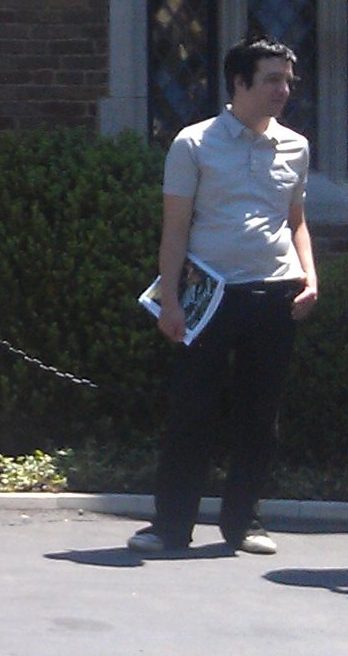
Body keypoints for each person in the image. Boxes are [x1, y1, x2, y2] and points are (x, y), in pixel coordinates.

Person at [132, 36, 317, 559]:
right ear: (239, 82)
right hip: (209, 297)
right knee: (192, 411)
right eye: (272, 80)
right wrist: (170, 301)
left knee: (260, 416)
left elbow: (296, 220)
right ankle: (169, 526)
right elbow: (175, 230)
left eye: (287, 80)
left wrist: (310, 276)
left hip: (275, 294)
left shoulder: (297, 146)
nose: (283, 90)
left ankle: (243, 523)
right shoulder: (194, 143)